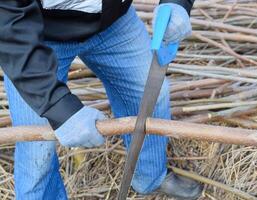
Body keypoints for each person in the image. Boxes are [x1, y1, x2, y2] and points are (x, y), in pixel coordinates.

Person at [0, 0, 202, 199]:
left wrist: (177, 2)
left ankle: (149, 179)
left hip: (114, 22)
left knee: (151, 95)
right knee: (37, 144)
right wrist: (57, 106)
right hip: (32, 35)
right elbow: (6, 17)